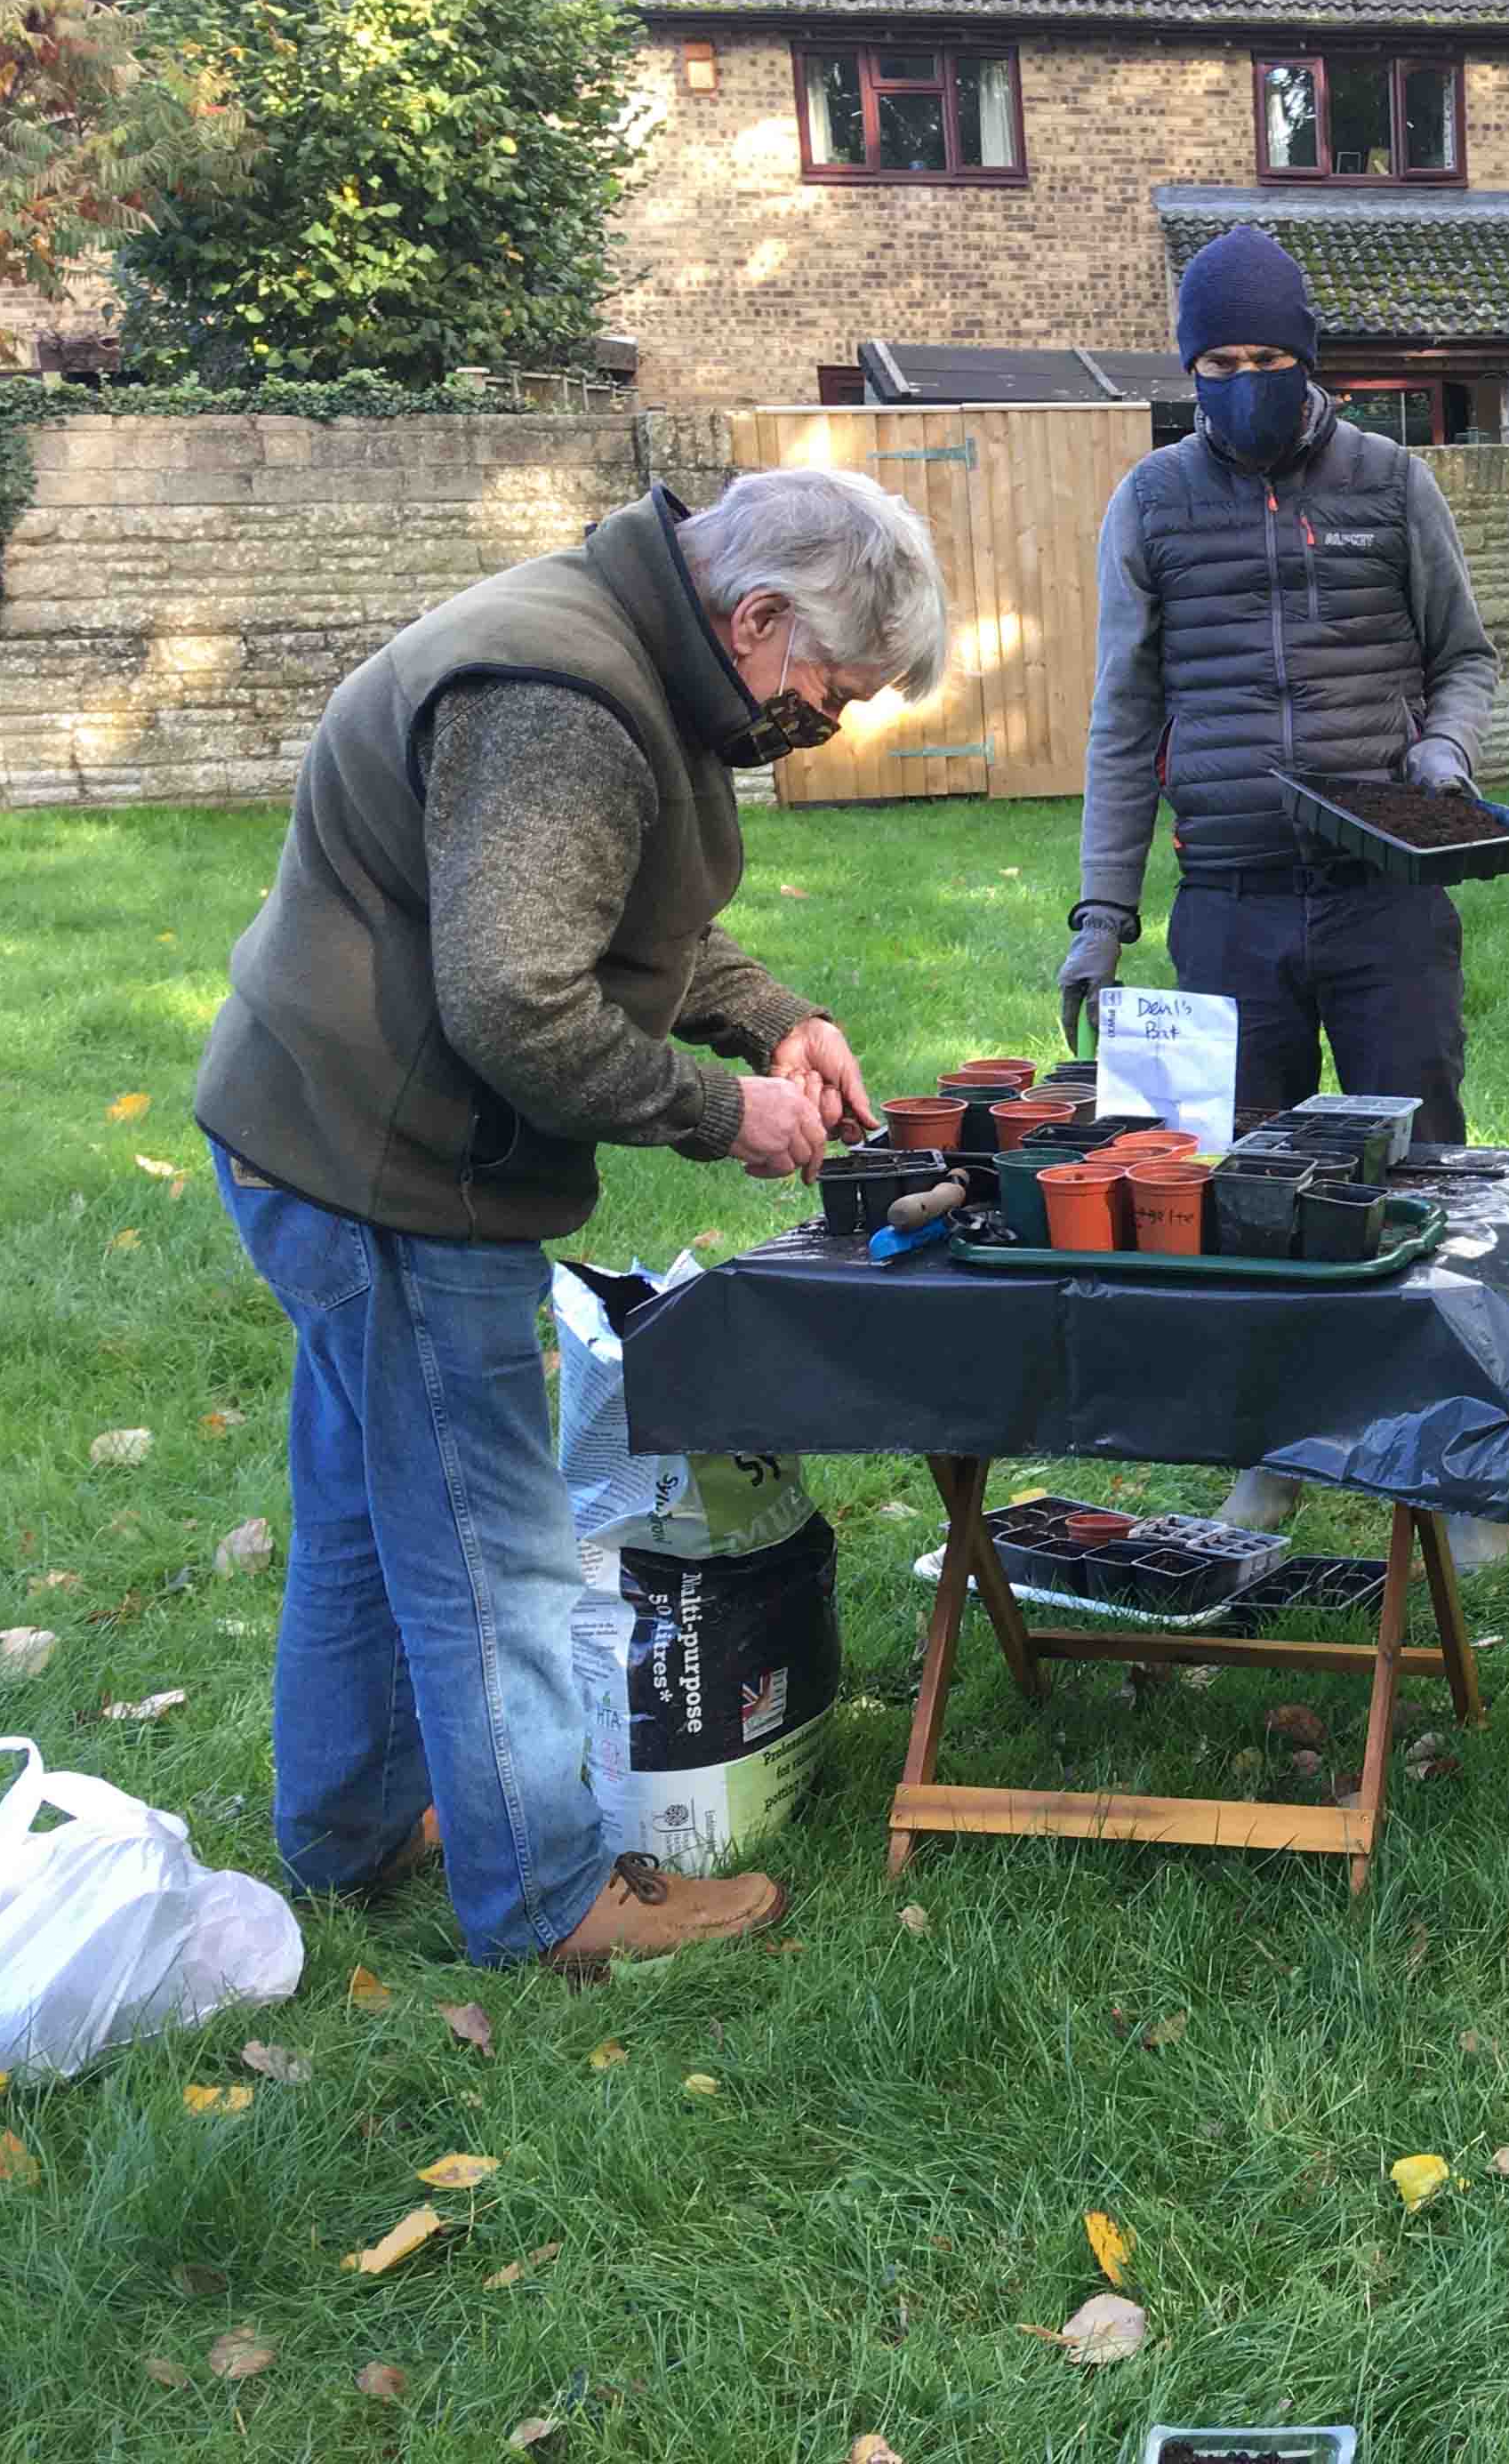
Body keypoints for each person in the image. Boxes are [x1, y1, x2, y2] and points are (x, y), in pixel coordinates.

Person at [194, 468, 948, 1970]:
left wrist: (772, 1015)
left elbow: (617, 907)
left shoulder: (624, 644)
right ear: (757, 617)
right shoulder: (567, 702)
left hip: (317, 1132)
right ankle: (549, 1898)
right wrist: (725, 1112)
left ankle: (349, 1829)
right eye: (831, 692)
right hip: (388, 1171)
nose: (826, 724)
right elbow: (518, 1003)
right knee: (496, 1553)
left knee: (363, 1510)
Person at [1060, 222, 1507, 1548]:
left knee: (1423, 1170)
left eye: (1264, 358)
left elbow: (1466, 656)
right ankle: (1269, 1453)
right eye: (1216, 364)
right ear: (1190, 370)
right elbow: (1123, 720)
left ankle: (1445, 1465)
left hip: (1385, 890)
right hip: (1230, 899)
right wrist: (1101, 917)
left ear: (1308, 359)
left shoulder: (1390, 483)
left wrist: (1442, 754)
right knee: (1239, 1184)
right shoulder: (1151, 503)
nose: (1241, 383)